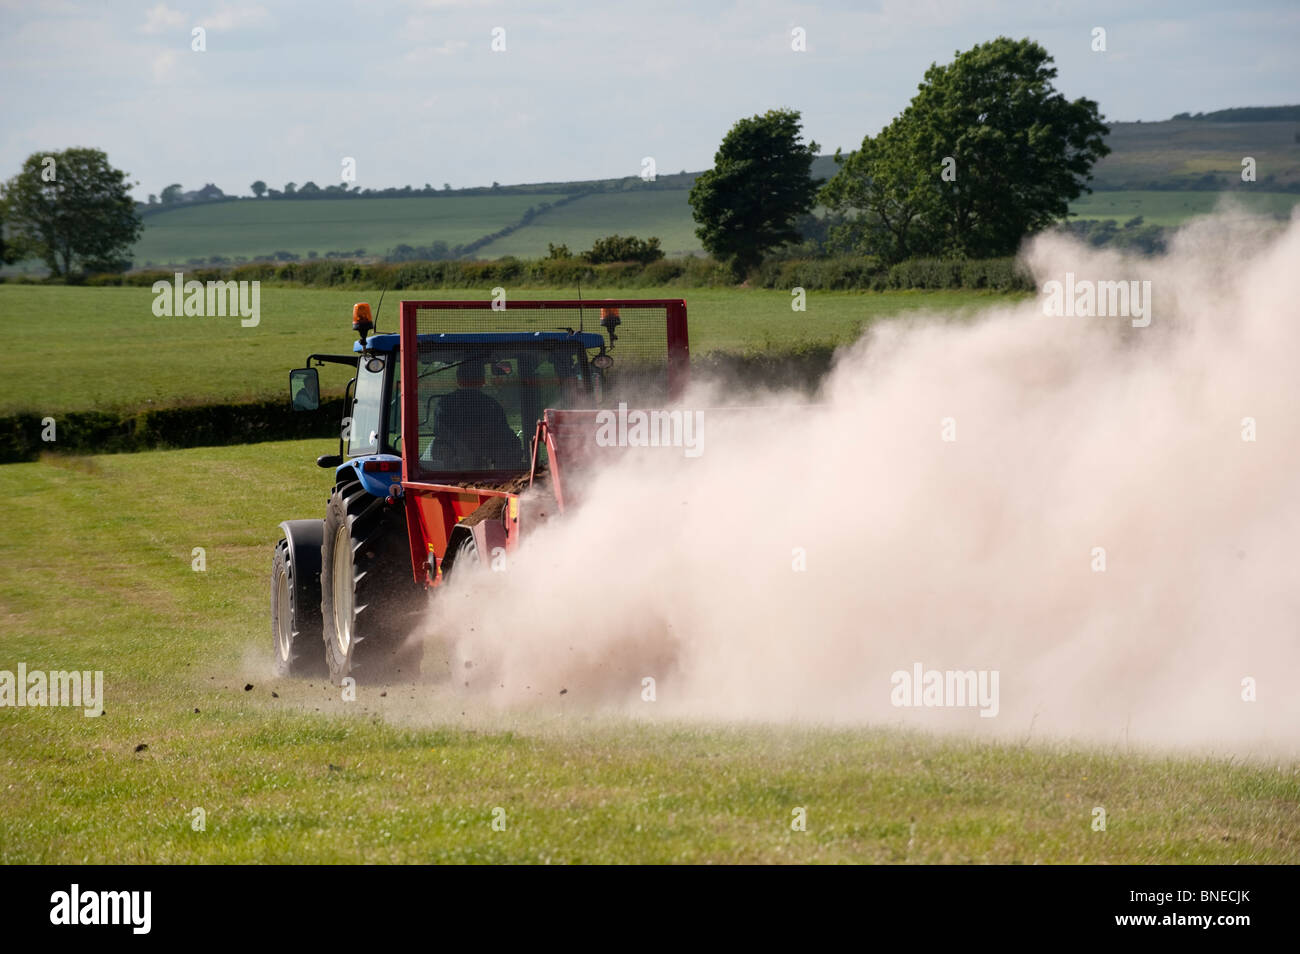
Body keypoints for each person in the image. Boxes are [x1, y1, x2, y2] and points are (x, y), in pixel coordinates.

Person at [428, 356, 524, 470]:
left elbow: (440, 432)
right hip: (489, 466)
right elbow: (503, 434)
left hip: (451, 468)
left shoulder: (444, 404)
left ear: (458, 379)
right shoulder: (491, 405)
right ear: (482, 380)